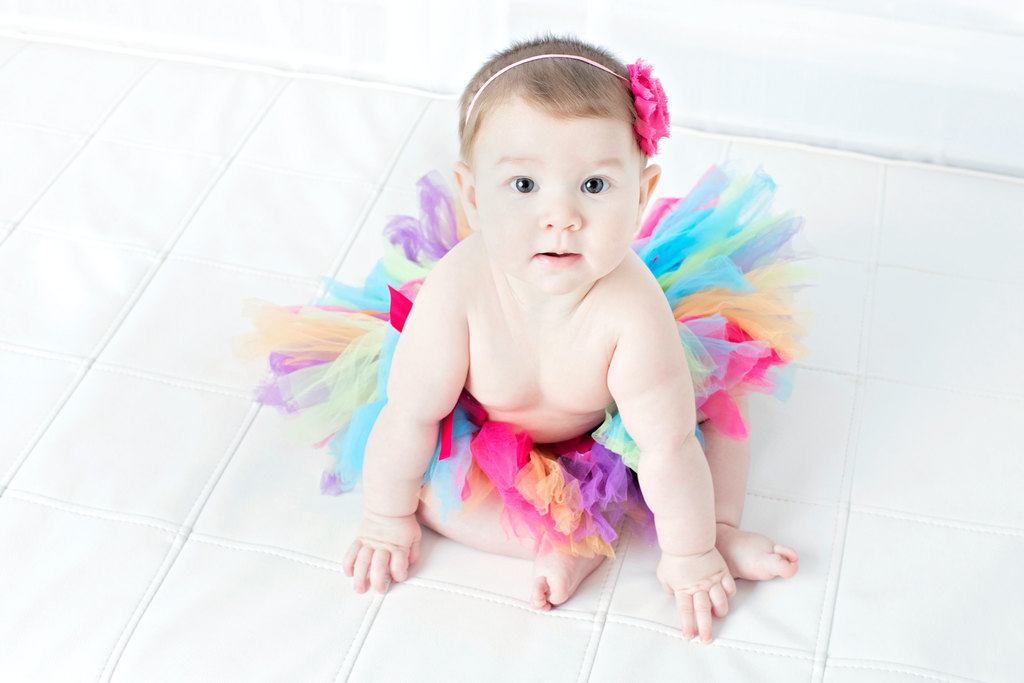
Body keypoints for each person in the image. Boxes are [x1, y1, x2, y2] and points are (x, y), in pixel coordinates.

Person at [234, 33, 810, 645]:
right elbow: (408, 418)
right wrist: (384, 519)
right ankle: (571, 543)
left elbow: (666, 448)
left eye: (593, 186)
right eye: (524, 185)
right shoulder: (456, 294)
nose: (560, 216)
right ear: (474, 197)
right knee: (428, 498)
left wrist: (690, 555)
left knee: (719, 410)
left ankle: (718, 526)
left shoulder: (632, 311)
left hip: (615, 428)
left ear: (640, 194)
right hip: (486, 434)